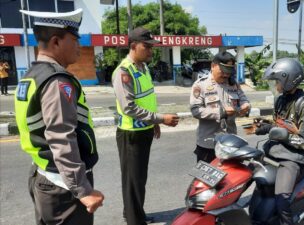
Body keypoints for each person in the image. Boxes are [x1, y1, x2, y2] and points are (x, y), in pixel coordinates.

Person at [15, 9, 104, 225]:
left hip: (45, 175)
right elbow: (61, 137)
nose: (79, 46)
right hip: (63, 189)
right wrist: (83, 190)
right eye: (74, 39)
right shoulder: (57, 81)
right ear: (56, 42)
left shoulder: (31, 76)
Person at [111, 27, 180, 225]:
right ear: (133, 46)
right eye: (147, 46)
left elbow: (147, 98)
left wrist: (153, 124)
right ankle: (135, 220)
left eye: (152, 47)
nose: (151, 51)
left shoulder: (143, 68)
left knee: (139, 178)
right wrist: (159, 119)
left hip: (144, 130)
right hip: (130, 134)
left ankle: (135, 213)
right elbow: (129, 108)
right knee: (133, 181)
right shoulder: (124, 72)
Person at [245, 58, 304, 225]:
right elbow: (279, 123)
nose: (275, 85)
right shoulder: (280, 99)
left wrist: (282, 135)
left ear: (288, 80)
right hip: (273, 150)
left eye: (277, 81)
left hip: (292, 157)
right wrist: (265, 127)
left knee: (282, 198)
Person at [190, 51, 251, 163]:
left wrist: (246, 106)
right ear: (213, 66)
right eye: (223, 71)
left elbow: (244, 99)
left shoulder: (233, 84)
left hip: (230, 143)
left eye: (229, 72)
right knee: (206, 179)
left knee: (230, 179)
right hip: (208, 144)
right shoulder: (200, 85)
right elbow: (195, 110)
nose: (226, 75)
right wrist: (221, 112)